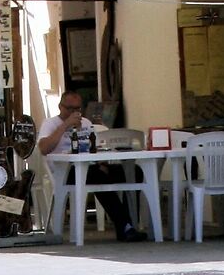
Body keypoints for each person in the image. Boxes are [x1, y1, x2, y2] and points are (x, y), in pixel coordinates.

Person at [37, 90, 145, 241]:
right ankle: (125, 226)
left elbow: (93, 147)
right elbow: (43, 148)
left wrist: (102, 161)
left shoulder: (86, 124)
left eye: (78, 109)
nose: (74, 113)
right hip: (66, 172)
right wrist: (65, 125)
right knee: (97, 176)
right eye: (70, 109)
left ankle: (129, 224)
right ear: (60, 107)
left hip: (91, 166)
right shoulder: (50, 123)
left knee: (134, 172)